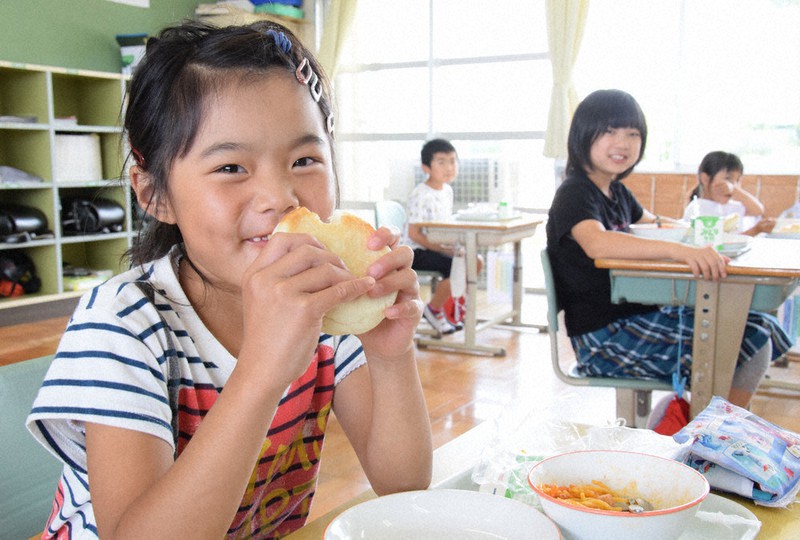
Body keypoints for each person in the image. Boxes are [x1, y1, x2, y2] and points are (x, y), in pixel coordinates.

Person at [26, 21, 432, 539]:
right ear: (154, 193)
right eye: (232, 167)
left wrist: (390, 355)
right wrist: (264, 366)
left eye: (305, 160)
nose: (280, 196)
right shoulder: (124, 323)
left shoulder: (325, 304)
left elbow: (404, 483)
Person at [546, 89, 792, 412]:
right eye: (609, 131)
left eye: (632, 134)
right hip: (604, 338)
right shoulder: (574, 192)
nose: (622, 143)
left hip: (637, 317)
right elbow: (598, 242)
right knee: (745, 340)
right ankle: (715, 433)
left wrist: (704, 235)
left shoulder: (616, 192)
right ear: (582, 135)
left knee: (761, 327)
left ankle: (714, 427)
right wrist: (680, 253)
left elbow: (658, 222)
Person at [403, 138, 483, 334]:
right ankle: (433, 309)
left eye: (453, 161)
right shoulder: (421, 194)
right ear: (426, 167)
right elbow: (414, 233)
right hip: (417, 251)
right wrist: (442, 249)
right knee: (458, 265)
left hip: (437, 247)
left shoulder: (447, 191)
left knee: (476, 261)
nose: (449, 167)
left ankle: (451, 309)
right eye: (441, 162)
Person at [683, 151, 776, 236]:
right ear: (705, 179)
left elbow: (758, 210)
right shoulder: (698, 208)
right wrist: (755, 230)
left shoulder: (734, 206)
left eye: (738, 180)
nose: (733, 186)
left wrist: (735, 190)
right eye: (728, 179)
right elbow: (718, 243)